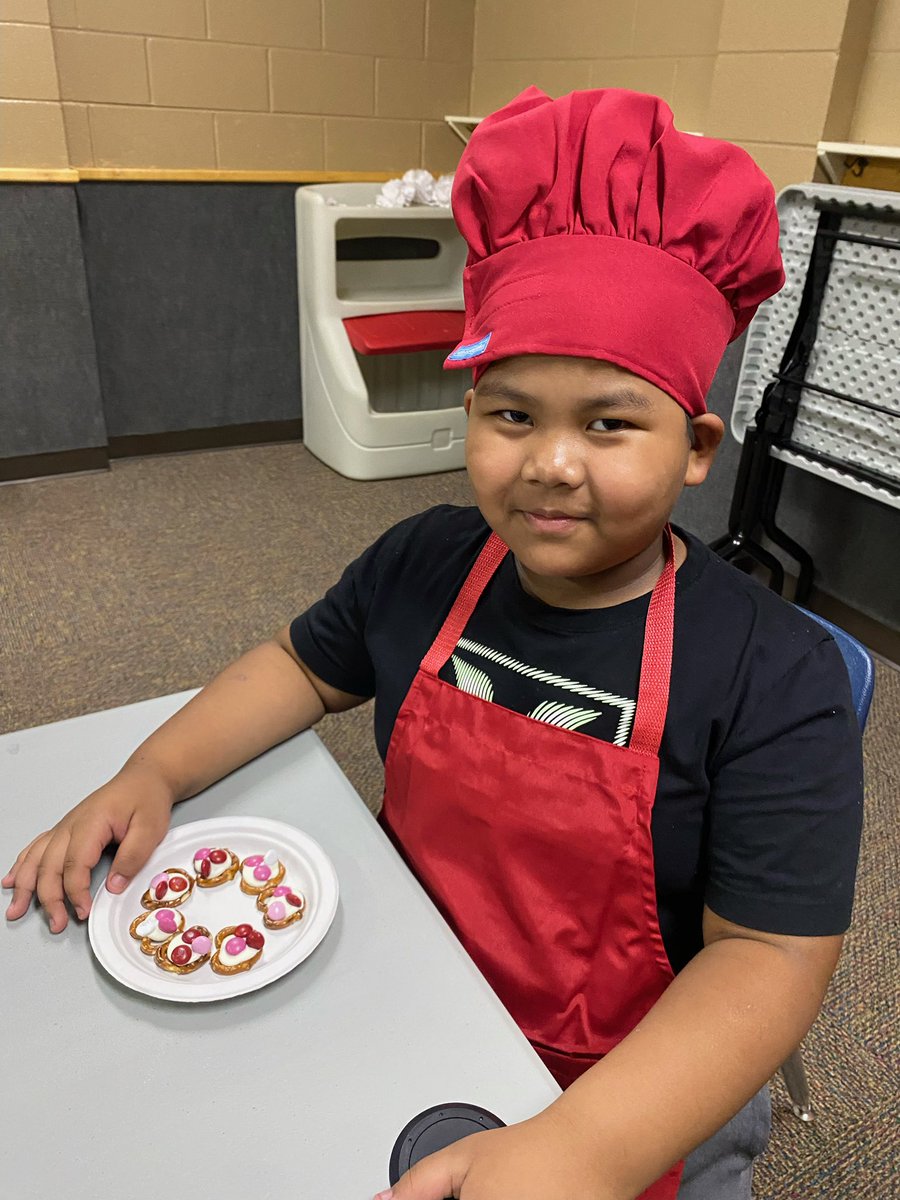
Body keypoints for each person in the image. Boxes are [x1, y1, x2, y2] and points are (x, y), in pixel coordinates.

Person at [4, 89, 863, 1200]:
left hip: (639, 1078)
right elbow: (298, 666)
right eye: (511, 415)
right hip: (407, 972)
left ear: (697, 448)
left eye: (607, 422)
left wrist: (586, 1149)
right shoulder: (424, 564)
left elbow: (768, 956)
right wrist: (153, 772)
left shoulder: (770, 675)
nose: (550, 462)